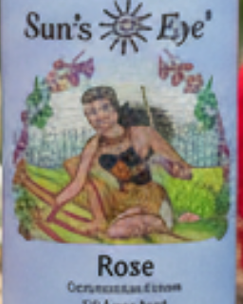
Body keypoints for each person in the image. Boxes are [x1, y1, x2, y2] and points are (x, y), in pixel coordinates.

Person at [43, 84, 192, 240]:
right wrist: (53, 207)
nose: (100, 116)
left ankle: (154, 222)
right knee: (115, 231)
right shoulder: (93, 147)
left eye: (105, 108)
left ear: (116, 109)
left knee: (128, 227)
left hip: (153, 199)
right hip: (122, 202)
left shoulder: (143, 133)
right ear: (87, 117)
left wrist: (178, 170)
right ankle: (125, 219)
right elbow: (77, 184)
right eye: (92, 112)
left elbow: (181, 166)